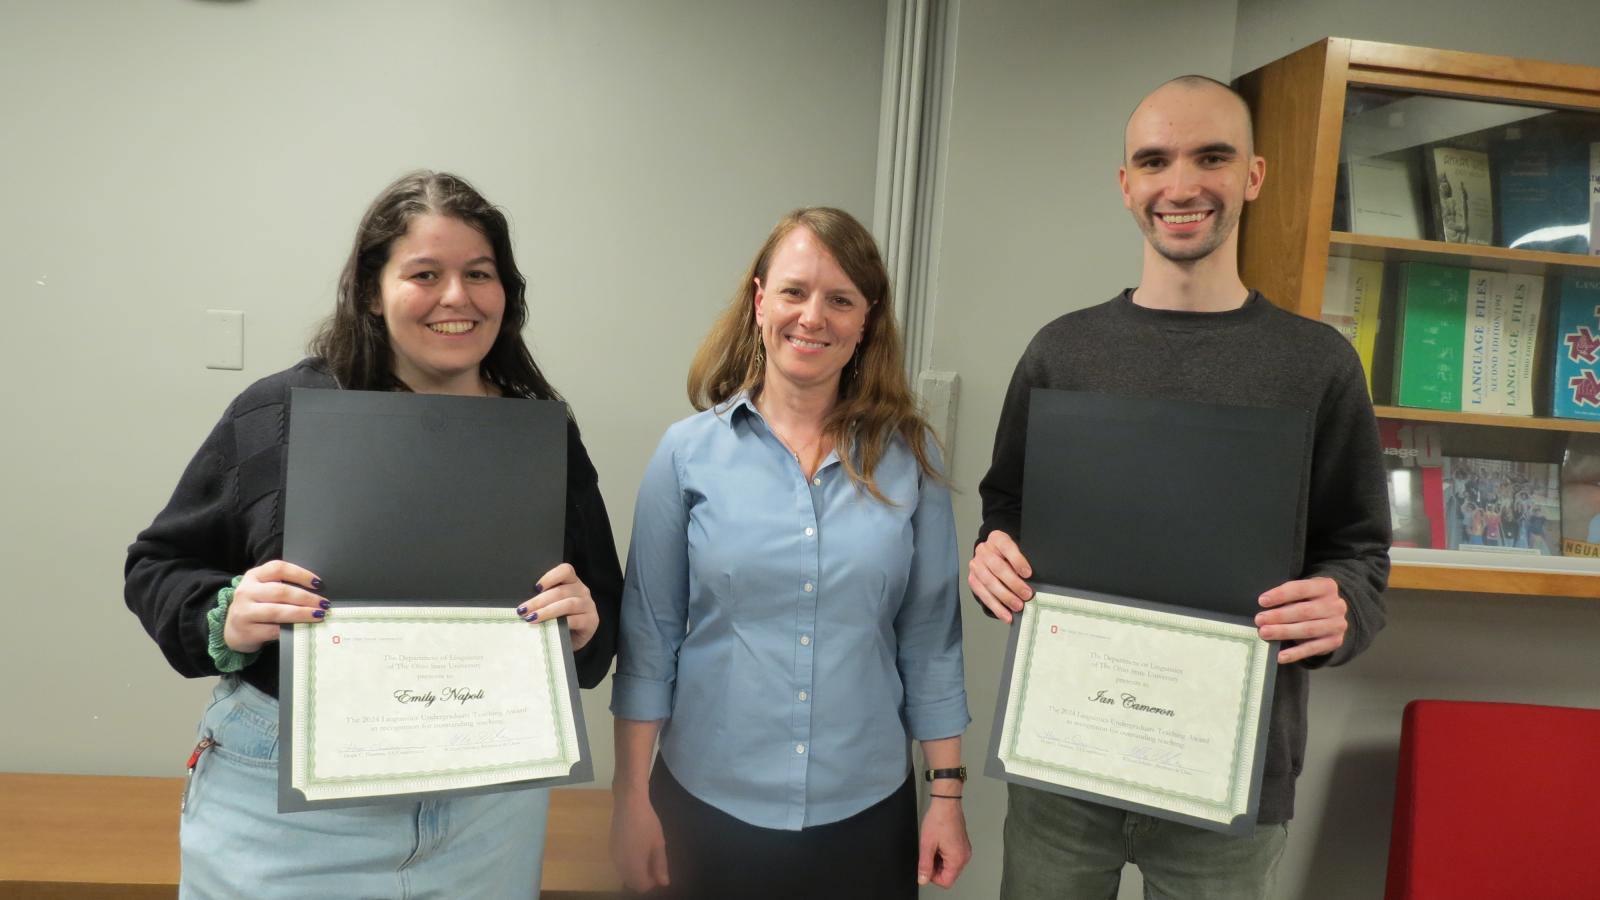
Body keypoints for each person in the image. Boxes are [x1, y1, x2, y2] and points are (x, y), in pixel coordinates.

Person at [124, 171, 623, 898]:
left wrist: (582, 623)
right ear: (369, 290)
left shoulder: (542, 434)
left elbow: (600, 605)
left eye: (478, 274)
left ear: (506, 292)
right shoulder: (278, 414)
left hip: (486, 814)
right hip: (288, 814)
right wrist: (227, 613)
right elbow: (158, 566)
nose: (457, 297)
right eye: (425, 273)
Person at [968, 76, 1391, 899]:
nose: (1182, 184)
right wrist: (992, 560)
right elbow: (1008, 509)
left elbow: (1360, 553)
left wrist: (1341, 605)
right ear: (1126, 185)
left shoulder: (1317, 366)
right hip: (1066, 761)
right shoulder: (1063, 353)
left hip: (1228, 776)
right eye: (1155, 161)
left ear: (1253, 176)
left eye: (1212, 157)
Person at [610, 207, 971, 899]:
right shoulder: (686, 455)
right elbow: (649, 639)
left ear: (867, 320)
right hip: (705, 805)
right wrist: (630, 799)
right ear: (759, 300)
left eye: (840, 300)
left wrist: (946, 800)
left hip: (865, 811)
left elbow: (931, 640)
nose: (813, 317)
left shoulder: (909, 460)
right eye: (794, 292)